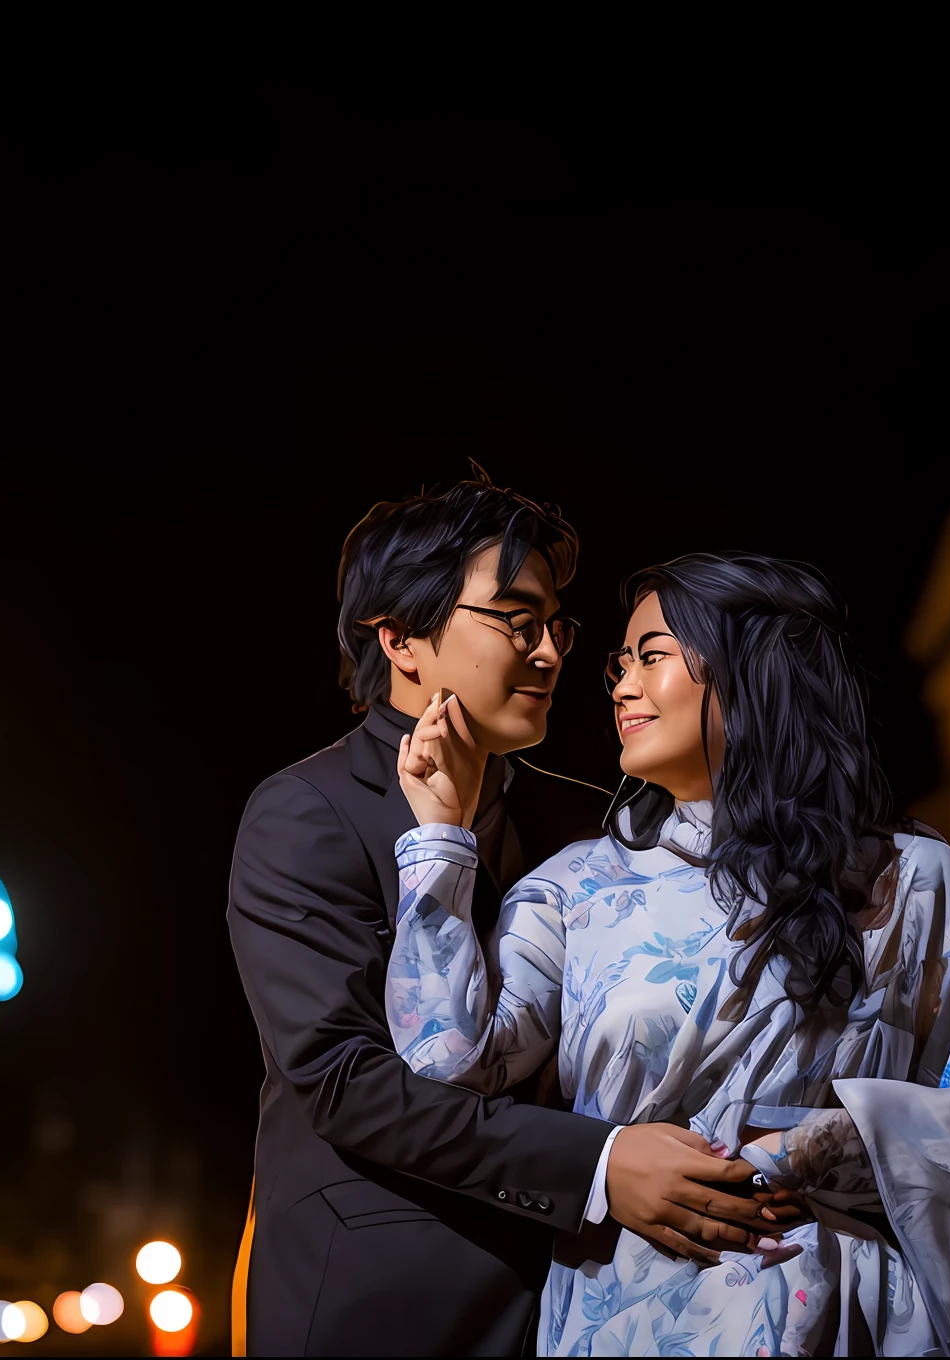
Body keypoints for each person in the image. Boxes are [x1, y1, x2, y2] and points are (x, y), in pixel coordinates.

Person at [387, 552, 950, 1356]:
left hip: (861, 1327)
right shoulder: (575, 890)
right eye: (619, 662)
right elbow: (444, 1065)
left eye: (650, 656)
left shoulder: (908, 882)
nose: (620, 684)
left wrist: (847, 1146)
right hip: (631, 1322)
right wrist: (439, 840)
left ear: (746, 674)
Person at [228, 480, 795, 1357]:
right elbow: (346, 1082)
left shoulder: (590, 828)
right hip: (380, 1303)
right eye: (514, 621)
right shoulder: (307, 812)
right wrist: (599, 1164)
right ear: (401, 638)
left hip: (574, 1301)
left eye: (556, 627)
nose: (550, 654)